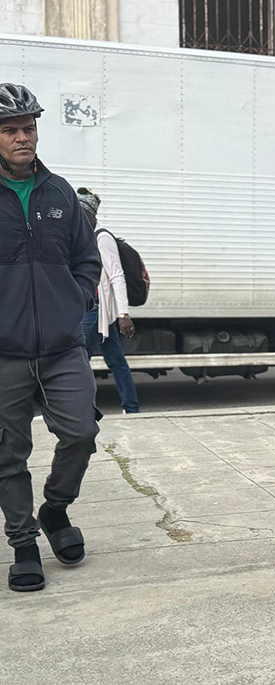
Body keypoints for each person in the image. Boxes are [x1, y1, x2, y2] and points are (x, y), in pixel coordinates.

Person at [0, 83, 102, 592]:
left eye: (29, 128)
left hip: (63, 347)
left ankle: (55, 509)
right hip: (5, 354)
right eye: (11, 130)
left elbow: (87, 258)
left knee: (82, 434)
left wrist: (76, 299)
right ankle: (23, 543)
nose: (23, 137)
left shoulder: (60, 191)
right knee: (7, 453)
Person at [77, 188, 140, 414]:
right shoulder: (82, 237)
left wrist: (123, 313)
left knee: (77, 360)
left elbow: (116, 275)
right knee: (116, 361)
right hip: (94, 309)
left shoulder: (102, 238)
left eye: (80, 213)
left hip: (97, 309)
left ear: (91, 215)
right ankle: (131, 408)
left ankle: (80, 411)